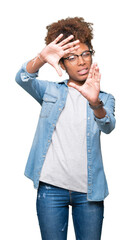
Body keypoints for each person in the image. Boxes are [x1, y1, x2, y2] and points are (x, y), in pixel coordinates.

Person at [15, 17, 116, 240]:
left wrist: (94, 102)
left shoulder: (104, 98)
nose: (81, 62)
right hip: (51, 189)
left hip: (89, 193)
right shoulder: (50, 91)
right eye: (71, 57)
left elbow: (108, 125)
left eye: (85, 54)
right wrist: (42, 58)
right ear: (61, 63)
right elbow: (22, 78)